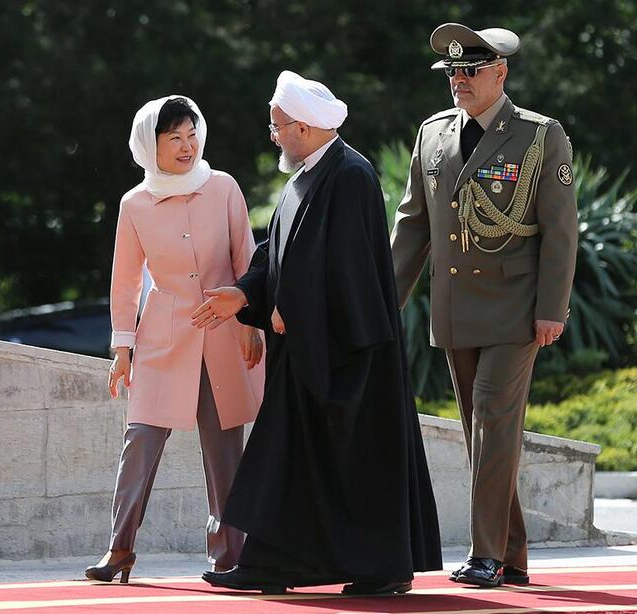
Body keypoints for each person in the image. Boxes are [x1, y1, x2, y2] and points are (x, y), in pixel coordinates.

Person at [197, 71, 442, 595]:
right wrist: (244, 294)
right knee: (288, 460)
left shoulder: (351, 175)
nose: (273, 135)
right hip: (307, 353)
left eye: (277, 126)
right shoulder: (303, 177)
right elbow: (277, 255)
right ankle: (275, 563)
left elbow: (350, 268)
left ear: (305, 128)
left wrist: (298, 310)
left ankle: (380, 571)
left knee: (355, 464)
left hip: (349, 356)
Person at [390, 24, 578, 588]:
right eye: (452, 72)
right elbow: (412, 227)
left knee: (494, 422)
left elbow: (561, 231)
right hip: (456, 307)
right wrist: (381, 302)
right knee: (481, 429)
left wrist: (553, 308)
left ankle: (486, 554)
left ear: (501, 73)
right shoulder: (433, 135)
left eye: (470, 71)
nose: (459, 81)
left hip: (516, 308)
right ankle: (514, 553)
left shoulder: (540, 136)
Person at [85, 96, 265, 583]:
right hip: (163, 337)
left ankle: (228, 556)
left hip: (224, 333)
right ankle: (119, 549)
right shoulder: (134, 204)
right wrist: (121, 350)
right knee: (139, 440)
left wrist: (251, 324)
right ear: (151, 145)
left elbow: (247, 260)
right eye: (174, 138)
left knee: (224, 449)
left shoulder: (223, 187)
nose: (187, 146)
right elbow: (125, 281)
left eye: (191, 134)